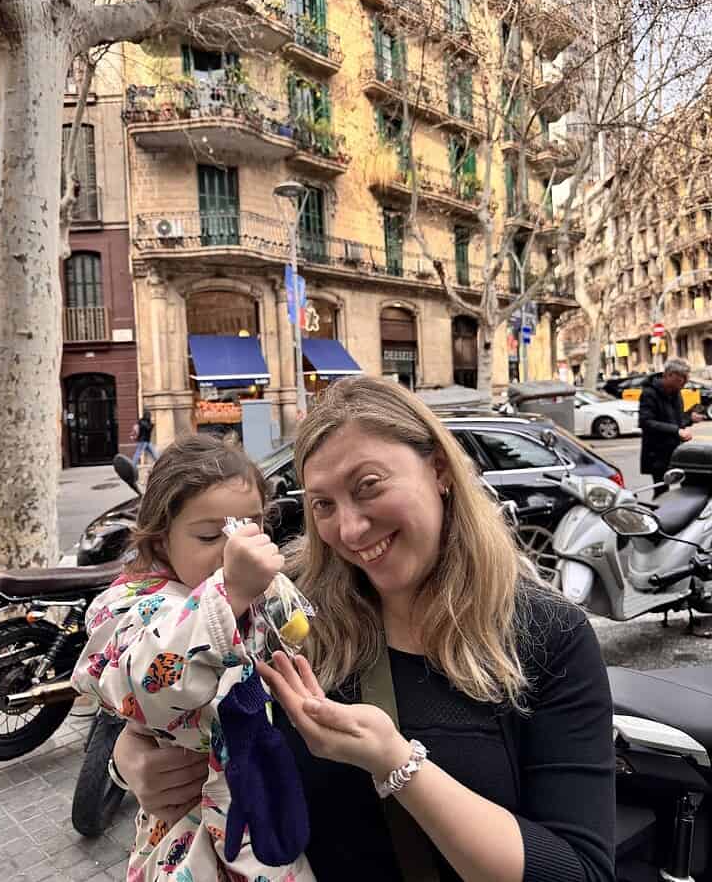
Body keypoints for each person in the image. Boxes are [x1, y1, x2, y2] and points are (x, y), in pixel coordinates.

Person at [112, 376, 615, 882]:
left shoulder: (546, 632)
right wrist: (130, 757)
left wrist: (396, 763)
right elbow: (158, 682)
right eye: (324, 505)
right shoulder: (284, 606)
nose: (349, 530)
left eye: (368, 486)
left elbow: (580, 869)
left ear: (439, 468)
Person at [72, 434, 315, 882]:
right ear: (161, 541)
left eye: (250, 526)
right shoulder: (131, 604)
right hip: (189, 838)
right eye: (210, 535)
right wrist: (230, 595)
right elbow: (141, 681)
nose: (235, 548)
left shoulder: (267, 592)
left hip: (267, 822)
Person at [639, 357, 703, 485]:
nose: (685, 383)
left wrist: (690, 418)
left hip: (675, 451)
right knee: (661, 490)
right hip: (656, 453)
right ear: (669, 375)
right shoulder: (649, 393)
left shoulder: (676, 393)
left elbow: (675, 421)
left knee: (686, 485)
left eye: (686, 379)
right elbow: (645, 422)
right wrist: (677, 431)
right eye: (682, 379)